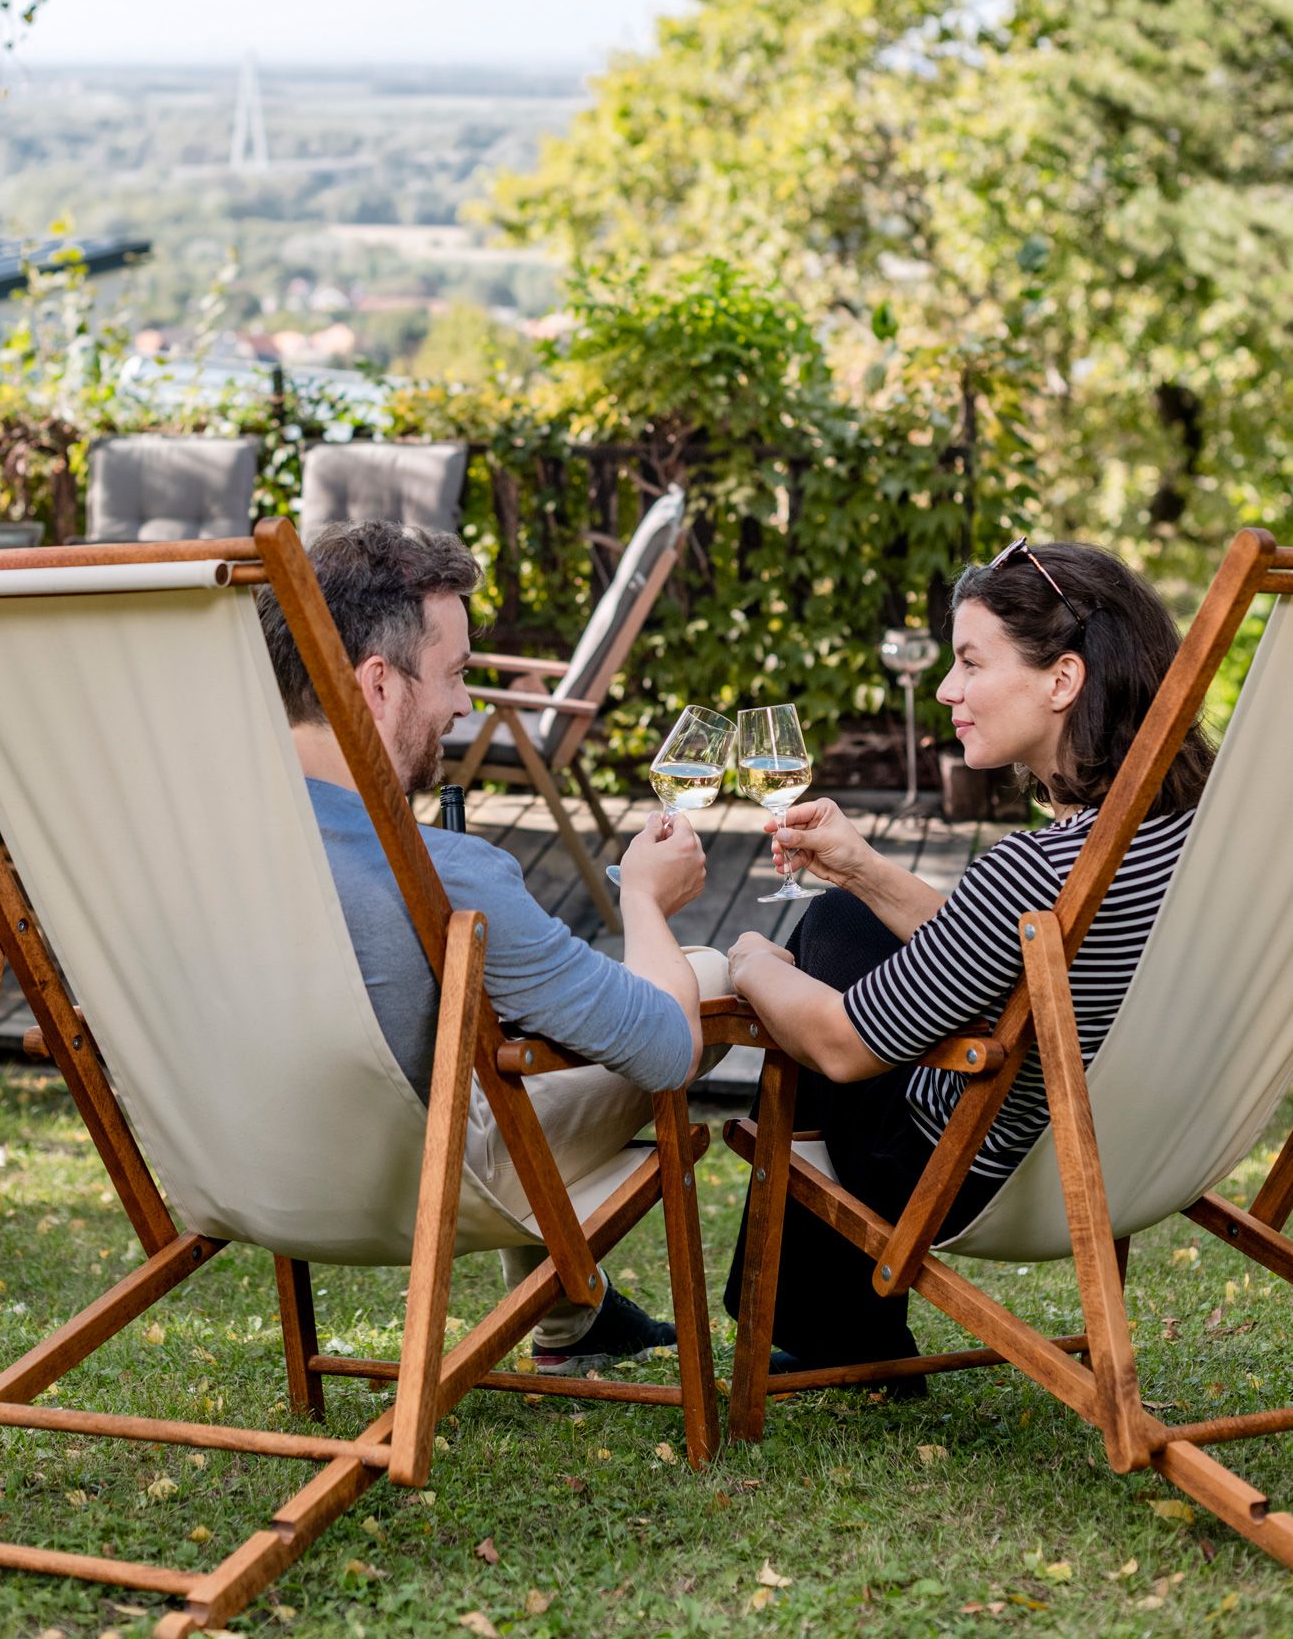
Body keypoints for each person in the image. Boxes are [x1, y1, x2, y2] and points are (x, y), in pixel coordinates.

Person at [722, 538, 1215, 1378]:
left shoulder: (1032, 870)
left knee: (823, 939)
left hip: (970, 1169)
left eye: (970, 662)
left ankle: (825, 1320)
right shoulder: (1194, 839)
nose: (948, 690)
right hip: (1141, 1153)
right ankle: (833, 1320)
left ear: (1063, 681)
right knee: (848, 908)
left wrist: (751, 962)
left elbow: (842, 1044)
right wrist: (865, 871)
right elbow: (1015, 953)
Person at [257, 519, 729, 1376]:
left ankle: (575, 1316)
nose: (465, 705)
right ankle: (571, 1312)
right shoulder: (443, 875)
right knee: (702, 979)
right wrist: (645, 900)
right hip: (404, 1190)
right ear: (377, 685)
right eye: (456, 675)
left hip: (230, 1168)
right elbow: (666, 1050)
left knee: (497, 1034)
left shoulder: (190, 844)